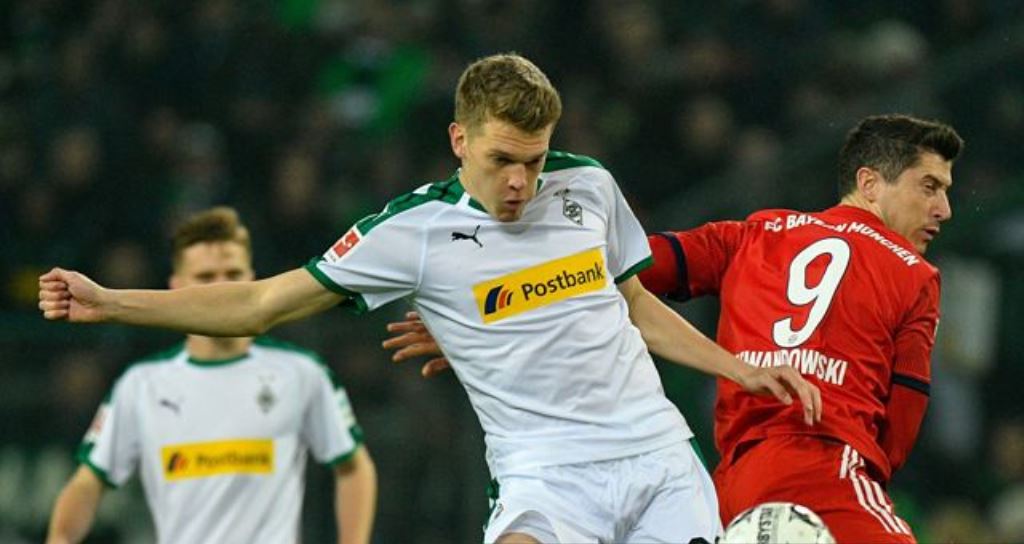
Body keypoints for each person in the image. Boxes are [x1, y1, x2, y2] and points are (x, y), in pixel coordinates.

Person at [39, 54, 820, 544]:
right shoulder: (410, 233)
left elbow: (632, 304)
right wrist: (112, 303)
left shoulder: (590, 186)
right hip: (544, 475)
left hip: (655, 456)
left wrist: (738, 369)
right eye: (502, 160)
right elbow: (260, 305)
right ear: (459, 140)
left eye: (535, 161)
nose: (521, 183)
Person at [385, 114, 962, 543]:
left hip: (729, 489)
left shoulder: (752, 233)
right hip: (829, 470)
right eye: (928, 187)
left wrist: (487, 316)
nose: (943, 210)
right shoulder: (914, 274)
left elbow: (611, 272)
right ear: (869, 183)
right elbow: (901, 425)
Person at [45, 207, 377, 544]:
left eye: (233, 274)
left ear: (252, 280)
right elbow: (87, 482)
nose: (221, 291)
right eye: (205, 279)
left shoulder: (302, 374)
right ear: (175, 287)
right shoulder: (141, 385)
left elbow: (353, 467)